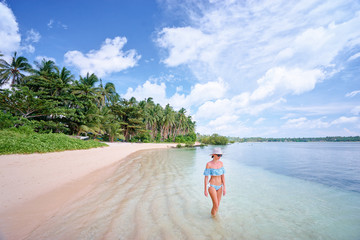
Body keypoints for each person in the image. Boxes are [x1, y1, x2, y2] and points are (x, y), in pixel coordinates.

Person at [204, 147, 226, 216]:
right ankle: (213, 218)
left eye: (221, 155)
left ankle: (213, 218)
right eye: (218, 155)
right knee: (215, 205)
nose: (220, 157)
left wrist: (224, 187)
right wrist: (205, 189)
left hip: (220, 186)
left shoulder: (221, 163)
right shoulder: (209, 164)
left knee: (217, 206)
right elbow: (206, 177)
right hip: (212, 186)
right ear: (214, 154)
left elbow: (223, 176)